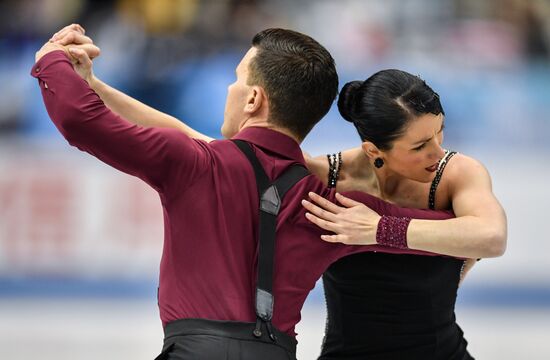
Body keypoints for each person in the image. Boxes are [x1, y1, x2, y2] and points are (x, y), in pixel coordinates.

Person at [35, 25, 505, 359]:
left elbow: (486, 235)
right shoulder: (324, 193)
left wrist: (385, 228)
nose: (438, 152)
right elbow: (197, 139)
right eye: (422, 144)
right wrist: (96, 86)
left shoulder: (448, 175)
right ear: (372, 148)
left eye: (440, 135)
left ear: (255, 98)